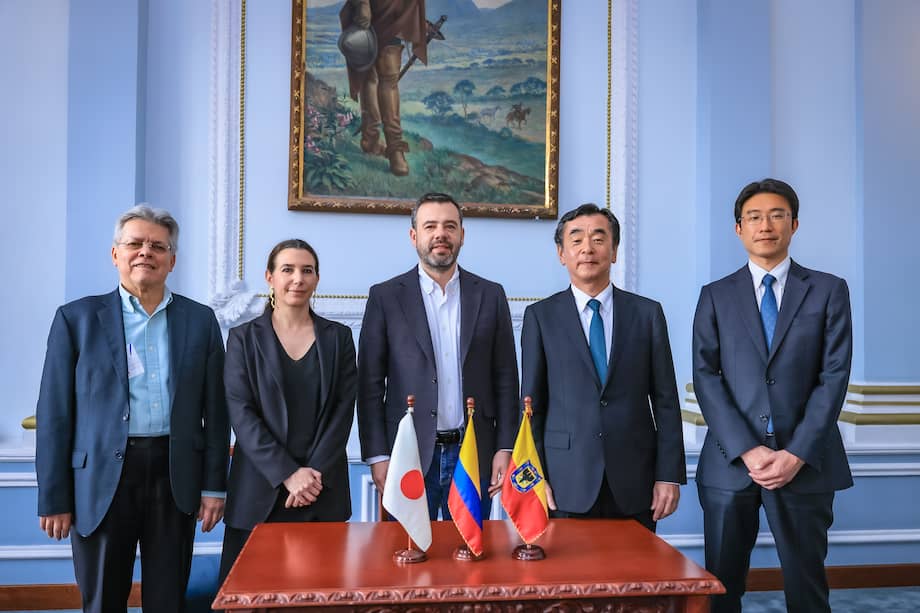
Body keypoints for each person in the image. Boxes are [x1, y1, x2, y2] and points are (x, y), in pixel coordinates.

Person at [35, 205, 230, 613]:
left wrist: (214, 486)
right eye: (135, 243)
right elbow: (54, 414)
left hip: (174, 476)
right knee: (103, 599)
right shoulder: (77, 319)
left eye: (157, 246)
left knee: (167, 600)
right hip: (100, 479)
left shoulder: (200, 320)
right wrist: (54, 496)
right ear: (115, 254)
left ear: (172, 260)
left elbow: (217, 414)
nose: (146, 252)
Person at [692, 178, 853, 613]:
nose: (766, 225)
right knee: (721, 588)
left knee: (806, 584)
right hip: (730, 463)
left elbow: (833, 376)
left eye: (777, 215)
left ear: (794, 224)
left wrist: (795, 453)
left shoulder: (828, 290)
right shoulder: (715, 296)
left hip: (806, 463)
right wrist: (747, 449)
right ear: (738, 229)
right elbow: (707, 377)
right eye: (754, 217)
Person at [520, 203, 686, 531]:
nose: (587, 248)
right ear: (561, 253)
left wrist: (668, 475)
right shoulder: (541, 318)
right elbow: (531, 407)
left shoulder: (647, 314)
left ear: (613, 252)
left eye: (598, 239)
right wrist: (533, 478)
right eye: (576, 239)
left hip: (635, 479)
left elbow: (666, 401)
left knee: (633, 578)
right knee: (570, 580)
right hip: (566, 480)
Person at [357, 192, 519, 521]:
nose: (440, 234)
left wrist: (505, 448)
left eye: (449, 226)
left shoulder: (490, 295)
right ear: (414, 235)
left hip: (474, 454)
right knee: (408, 560)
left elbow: (505, 378)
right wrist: (377, 456)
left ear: (462, 234)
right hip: (407, 455)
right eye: (430, 226)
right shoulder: (385, 297)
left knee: (471, 558)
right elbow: (369, 385)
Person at [218, 239, 356, 584]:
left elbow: (343, 411)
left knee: (320, 597)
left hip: (321, 491)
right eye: (288, 270)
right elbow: (241, 413)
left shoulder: (339, 338)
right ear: (269, 277)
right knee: (247, 599)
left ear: (317, 279)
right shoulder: (243, 338)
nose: (298, 278)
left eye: (307, 270)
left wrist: (310, 477)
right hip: (259, 492)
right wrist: (288, 474)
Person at [340, 0, 428, 176]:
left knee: (387, 75)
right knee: (368, 74)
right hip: (374, 6)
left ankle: (393, 148)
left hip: (397, 8)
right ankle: (372, 140)